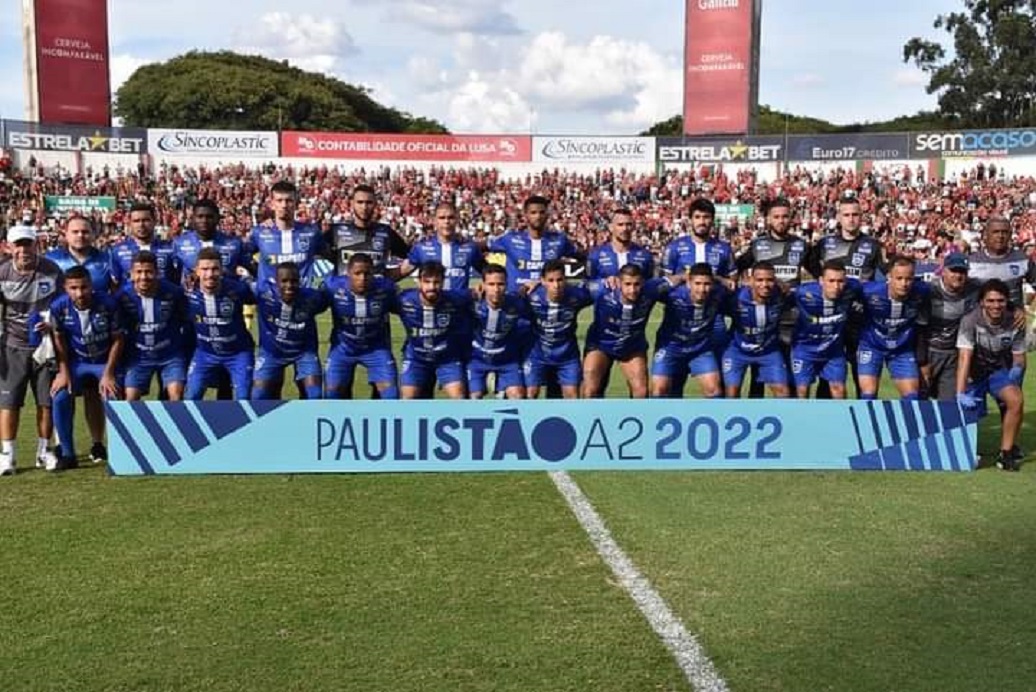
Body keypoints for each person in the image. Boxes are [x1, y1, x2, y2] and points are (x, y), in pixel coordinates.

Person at [45, 216, 116, 463]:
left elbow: (116, 292)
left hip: (100, 337)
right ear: (65, 233)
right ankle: (63, 447)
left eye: (85, 231)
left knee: (95, 395)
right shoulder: (52, 259)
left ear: (93, 233)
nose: (80, 236)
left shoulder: (107, 258)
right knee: (61, 391)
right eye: (75, 231)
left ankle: (98, 444)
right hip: (66, 337)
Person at [0, 225, 64, 475]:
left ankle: (44, 451)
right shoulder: (2, 272)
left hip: (45, 346)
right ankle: (7, 455)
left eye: (27, 244)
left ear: (36, 244)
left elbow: (62, 304)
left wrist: (52, 324)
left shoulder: (51, 269)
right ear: (8, 246)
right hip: (12, 347)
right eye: (18, 244)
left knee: (45, 402)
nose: (23, 250)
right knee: (9, 403)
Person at [807, 196, 885, 399]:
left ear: (862, 217)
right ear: (838, 218)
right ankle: (826, 423)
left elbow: (881, 281)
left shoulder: (873, 246)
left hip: (859, 321)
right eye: (846, 215)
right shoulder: (825, 244)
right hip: (830, 321)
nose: (851, 219)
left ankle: (863, 421)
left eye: (855, 215)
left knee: (862, 375)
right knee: (827, 377)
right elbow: (813, 270)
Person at [49, 266, 124, 470]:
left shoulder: (108, 304)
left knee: (113, 393)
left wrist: (108, 373)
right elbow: (58, 339)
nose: (80, 293)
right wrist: (63, 372)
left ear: (91, 285)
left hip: (102, 363)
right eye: (74, 288)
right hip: (77, 364)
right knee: (60, 395)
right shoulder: (58, 307)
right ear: (65, 288)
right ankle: (67, 454)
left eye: (84, 287)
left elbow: (118, 339)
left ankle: (120, 452)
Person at [734, 198, 810, 398]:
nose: (781, 221)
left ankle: (792, 420)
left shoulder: (800, 245)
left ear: (791, 218)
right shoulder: (758, 246)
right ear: (768, 219)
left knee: (790, 377)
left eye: (785, 216)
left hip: (791, 321)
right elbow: (736, 268)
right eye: (776, 217)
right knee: (757, 376)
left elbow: (821, 276)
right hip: (763, 321)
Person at [175, 199, 249, 401]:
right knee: (187, 378)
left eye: (209, 216)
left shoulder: (233, 244)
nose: (204, 220)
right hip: (193, 318)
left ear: (217, 218)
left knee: (225, 379)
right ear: (192, 218)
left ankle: (223, 422)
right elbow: (173, 279)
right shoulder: (179, 243)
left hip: (225, 312)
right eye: (200, 216)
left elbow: (251, 270)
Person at [955, 279, 1026, 471]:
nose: (996, 305)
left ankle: (1006, 453)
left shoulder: (1016, 320)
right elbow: (964, 357)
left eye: (1000, 301)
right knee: (968, 410)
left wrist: (1016, 374)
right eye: (991, 301)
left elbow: (1019, 356)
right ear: (982, 302)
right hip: (974, 372)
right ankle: (965, 450)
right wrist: (960, 392)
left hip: (998, 372)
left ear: (1006, 301)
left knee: (1016, 400)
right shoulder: (970, 320)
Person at [582, 264, 674, 399]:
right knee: (590, 389)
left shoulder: (651, 289)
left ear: (643, 282)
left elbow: (674, 280)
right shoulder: (602, 289)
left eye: (637, 284)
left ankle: (638, 419)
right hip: (600, 345)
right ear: (619, 282)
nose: (632, 290)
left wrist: (687, 275)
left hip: (632, 347)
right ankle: (589, 419)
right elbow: (574, 289)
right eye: (628, 284)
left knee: (641, 392)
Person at [322, 253, 400, 400]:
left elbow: (406, 308)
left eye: (367, 273)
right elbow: (311, 305)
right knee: (332, 393)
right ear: (348, 273)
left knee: (391, 395)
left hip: (376, 349)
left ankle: (381, 422)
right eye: (357, 273)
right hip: (342, 350)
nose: (362, 278)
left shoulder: (386, 288)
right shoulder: (332, 287)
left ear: (373, 274)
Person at [116, 251, 190, 402]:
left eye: (149, 272)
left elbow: (186, 321)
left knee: (176, 396)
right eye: (139, 272)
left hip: (170, 355)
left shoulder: (174, 292)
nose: (143, 277)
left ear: (157, 272)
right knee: (130, 399)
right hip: (138, 357)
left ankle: (172, 426)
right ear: (131, 274)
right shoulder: (122, 296)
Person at [249, 262, 329, 400]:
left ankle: (304, 420)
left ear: (300, 281)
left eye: (294, 281)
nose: (289, 286)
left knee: (314, 394)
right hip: (271, 353)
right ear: (276, 281)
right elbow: (237, 290)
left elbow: (328, 300)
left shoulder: (312, 298)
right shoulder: (262, 292)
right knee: (258, 395)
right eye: (284, 281)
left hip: (304, 352)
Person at [184, 248, 256, 400]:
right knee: (191, 396)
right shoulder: (187, 294)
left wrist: (247, 278)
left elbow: (261, 300)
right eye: (204, 269)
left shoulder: (238, 289)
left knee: (243, 397)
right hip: (205, 353)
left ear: (222, 270)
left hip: (238, 353)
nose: (210, 274)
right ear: (196, 271)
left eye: (215, 269)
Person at [395, 261, 472, 400]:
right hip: (416, 358)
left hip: (447, 359)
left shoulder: (455, 298)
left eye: (437, 282)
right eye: (427, 282)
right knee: (407, 399)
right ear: (419, 282)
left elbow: (479, 292)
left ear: (443, 282)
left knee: (459, 397)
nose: (432, 287)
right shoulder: (403, 299)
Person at [857, 256, 931, 400]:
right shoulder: (869, 291)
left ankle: (905, 422)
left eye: (909, 279)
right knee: (868, 394)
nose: (904, 283)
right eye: (899, 278)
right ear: (889, 277)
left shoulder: (922, 291)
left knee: (912, 397)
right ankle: (868, 422)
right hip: (871, 346)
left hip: (901, 349)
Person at [650, 263, 728, 399]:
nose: (702, 289)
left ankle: (713, 419)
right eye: (697, 283)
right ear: (689, 282)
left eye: (707, 284)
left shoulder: (719, 293)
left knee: (714, 390)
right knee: (659, 390)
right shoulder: (673, 294)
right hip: (670, 349)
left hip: (700, 350)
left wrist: (722, 279)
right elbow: (646, 288)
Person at [523, 259, 595, 400]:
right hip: (537, 355)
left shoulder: (577, 296)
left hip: (567, 356)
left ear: (566, 280)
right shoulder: (531, 297)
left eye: (560, 280)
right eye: (550, 280)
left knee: (572, 396)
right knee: (530, 394)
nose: (556, 285)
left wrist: (612, 280)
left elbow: (601, 291)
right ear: (542, 281)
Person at [789, 260, 861, 399]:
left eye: (840, 281)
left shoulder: (853, 289)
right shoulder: (803, 293)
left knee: (839, 390)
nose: (836, 286)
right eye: (831, 281)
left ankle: (839, 420)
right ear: (821, 280)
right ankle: (801, 420)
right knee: (802, 392)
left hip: (833, 353)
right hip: (804, 351)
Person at [721, 261, 792, 399]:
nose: (765, 285)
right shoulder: (735, 298)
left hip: (769, 351)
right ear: (750, 280)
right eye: (759, 280)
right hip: (737, 351)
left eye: (770, 280)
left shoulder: (781, 295)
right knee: (731, 394)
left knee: (783, 393)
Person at [487, 195, 585, 293]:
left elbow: (586, 257)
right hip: (515, 303)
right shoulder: (509, 239)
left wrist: (586, 282)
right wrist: (485, 278)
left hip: (546, 304)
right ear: (525, 215)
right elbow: (478, 248)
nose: (538, 216)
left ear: (547, 215)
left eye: (542, 212)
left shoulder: (560, 240)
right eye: (533, 213)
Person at [922, 252, 981, 401]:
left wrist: (1015, 309)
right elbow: (918, 329)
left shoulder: (975, 289)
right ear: (943, 270)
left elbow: (998, 293)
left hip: (952, 355)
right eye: (954, 270)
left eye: (962, 272)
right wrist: (922, 362)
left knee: (949, 406)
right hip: (927, 351)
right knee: (918, 402)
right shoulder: (928, 290)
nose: (958, 276)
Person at [468, 264, 530, 400]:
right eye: (491, 284)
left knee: (518, 396)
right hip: (476, 359)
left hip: (506, 360)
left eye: (500, 284)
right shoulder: (471, 303)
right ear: (483, 285)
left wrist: (534, 284)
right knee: (473, 397)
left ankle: (500, 385)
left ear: (507, 285)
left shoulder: (517, 303)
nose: (496, 289)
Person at [325, 184, 410, 278]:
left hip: (376, 291)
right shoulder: (336, 231)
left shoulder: (386, 233)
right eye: (360, 202)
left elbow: (412, 258)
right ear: (352, 203)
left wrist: (390, 277)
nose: (364, 207)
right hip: (343, 291)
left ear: (375, 204)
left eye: (369, 202)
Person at [249, 181, 325, 287]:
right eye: (279, 200)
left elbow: (328, 260)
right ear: (272, 204)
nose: (284, 205)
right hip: (269, 301)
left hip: (304, 299)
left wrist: (318, 285)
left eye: (289, 200)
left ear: (296, 203)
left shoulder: (312, 232)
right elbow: (243, 258)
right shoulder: (259, 233)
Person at [398, 202, 483, 291]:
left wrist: (482, 287)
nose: (446, 221)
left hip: (461, 304)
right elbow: (400, 272)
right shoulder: (421, 248)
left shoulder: (470, 248)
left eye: (451, 217)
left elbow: (490, 273)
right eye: (442, 218)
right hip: (433, 304)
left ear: (457, 220)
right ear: (435, 221)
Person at [967, 216, 1036, 312]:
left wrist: (1030, 313)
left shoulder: (1023, 260)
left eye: (1004, 232)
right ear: (986, 234)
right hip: (979, 323)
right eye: (995, 232)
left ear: (1010, 235)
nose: (1000, 236)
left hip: (1013, 323)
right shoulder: (971, 261)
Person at [110, 202, 180, 286]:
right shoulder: (117, 251)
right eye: (136, 221)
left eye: (146, 220)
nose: (141, 225)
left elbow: (178, 281)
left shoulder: (171, 248)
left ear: (154, 221)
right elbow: (115, 284)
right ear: (130, 224)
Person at [587, 208, 655, 280]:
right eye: (620, 225)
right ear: (611, 227)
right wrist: (604, 284)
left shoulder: (645, 255)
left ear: (633, 227)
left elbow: (650, 285)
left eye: (628, 224)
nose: (625, 228)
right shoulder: (595, 255)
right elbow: (587, 285)